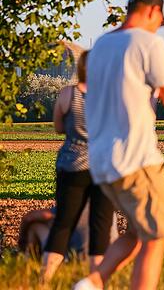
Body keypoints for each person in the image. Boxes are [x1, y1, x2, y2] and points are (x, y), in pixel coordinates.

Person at [75, 0, 164, 290]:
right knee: (158, 236)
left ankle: (91, 283)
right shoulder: (149, 43)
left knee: (137, 233)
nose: (158, 27)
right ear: (153, 12)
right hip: (137, 158)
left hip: (101, 161)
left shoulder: (100, 46)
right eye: (160, 21)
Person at [40, 51, 115, 283]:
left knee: (63, 222)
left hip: (72, 165)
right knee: (100, 225)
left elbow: (59, 127)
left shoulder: (67, 94)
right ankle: (95, 281)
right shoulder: (111, 97)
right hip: (103, 166)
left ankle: (45, 278)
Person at [19, 204, 119, 261]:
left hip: (78, 258)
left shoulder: (73, 201)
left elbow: (28, 218)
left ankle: (30, 260)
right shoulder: (106, 203)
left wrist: (22, 240)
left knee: (35, 226)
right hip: (110, 258)